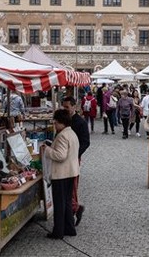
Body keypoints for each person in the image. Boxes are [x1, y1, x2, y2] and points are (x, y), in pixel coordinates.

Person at [42, 109, 79, 239]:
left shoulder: (62, 135)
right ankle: (69, 228)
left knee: (59, 204)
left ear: (61, 122)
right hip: (71, 172)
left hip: (62, 174)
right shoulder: (71, 133)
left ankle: (58, 232)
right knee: (67, 202)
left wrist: (47, 150)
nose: (55, 125)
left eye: (56, 123)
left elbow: (60, 155)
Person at [62, 96, 90, 226]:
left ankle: (75, 209)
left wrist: (75, 154)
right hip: (62, 157)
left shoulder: (80, 122)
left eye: (67, 107)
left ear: (74, 106)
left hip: (73, 158)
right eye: (64, 107)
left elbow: (86, 142)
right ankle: (72, 210)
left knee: (72, 185)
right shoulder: (64, 119)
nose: (65, 109)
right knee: (66, 185)